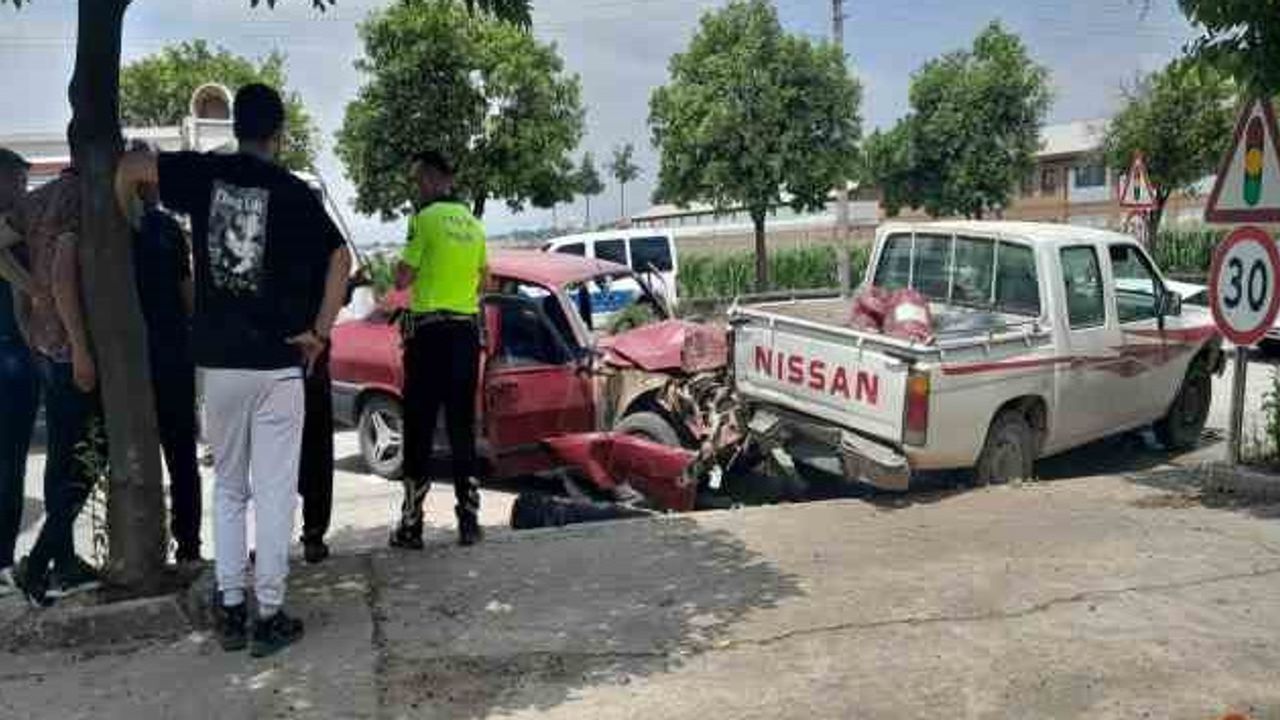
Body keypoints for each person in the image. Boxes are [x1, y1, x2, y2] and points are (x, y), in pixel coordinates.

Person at [117, 83, 352, 658]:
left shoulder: (202, 174)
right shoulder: (295, 192)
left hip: (219, 363)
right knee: (274, 493)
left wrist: (131, 222)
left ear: (236, 127)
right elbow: (340, 258)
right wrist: (320, 333)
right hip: (280, 363)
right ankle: (268, 614)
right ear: (279, 133)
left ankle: (228, 608)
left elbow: (131, 167)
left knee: (228, 488)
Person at [0, 168, 104, 607]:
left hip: (48, 348)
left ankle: (58, 561)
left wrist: (31, 294)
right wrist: (80, 348)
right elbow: (63, 275)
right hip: (73, 349)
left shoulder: (37, 200)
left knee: (62, 458)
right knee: (89, 454)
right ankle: (43, 562)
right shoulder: (80, 197)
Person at [390, 150, 488, 550]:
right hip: (465, 335)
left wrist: (399, 269)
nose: (417, 188)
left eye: (418, 181)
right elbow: (485, 281)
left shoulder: (423, 219)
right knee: (462, 427)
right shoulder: (474, 225)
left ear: (432, 179)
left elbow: (402, 279)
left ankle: (411, 526)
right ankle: (469, 522)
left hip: (429, 336)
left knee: (419, 428)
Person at [125, 141, 202, 565]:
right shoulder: (168, 230)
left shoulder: (112, 231)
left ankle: (143, 548)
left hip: (127, 357)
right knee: (181, 453)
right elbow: (187, 296)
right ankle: (188, 545)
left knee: (134, 453)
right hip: (170, 350)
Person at [0, 148, 39, 598]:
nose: (22, 190)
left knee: (11, 465)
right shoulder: (10, 229)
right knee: (9, 465)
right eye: (16, 181)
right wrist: (36, 289)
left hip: (17, 353)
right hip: (11, 355)